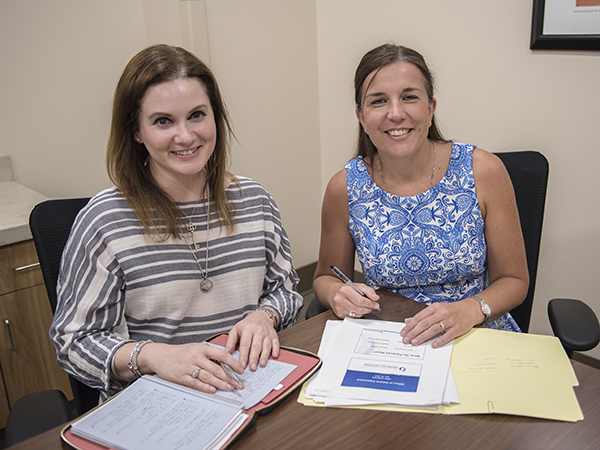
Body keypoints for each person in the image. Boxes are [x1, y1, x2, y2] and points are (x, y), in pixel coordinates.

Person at [50, 44, 303, 401]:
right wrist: (154, 356)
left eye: (197, 115)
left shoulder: (255, 200)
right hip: (159, 404)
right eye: (163, 121)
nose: (185, 136)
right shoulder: (104, 220)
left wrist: (264, 316)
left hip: (247, 388)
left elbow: (286, 290)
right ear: (136, 131)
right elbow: (74, 343)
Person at [313, 43, 528, 349]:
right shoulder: (344, 187)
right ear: (361, 117)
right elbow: (325, 277)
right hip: (392, 342)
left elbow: (515, 281)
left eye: (409, 97)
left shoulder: (484, 171)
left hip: (477, 334)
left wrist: (470, 310)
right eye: (378, 101)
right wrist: (336, 293)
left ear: (431, 108)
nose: (396, 113)